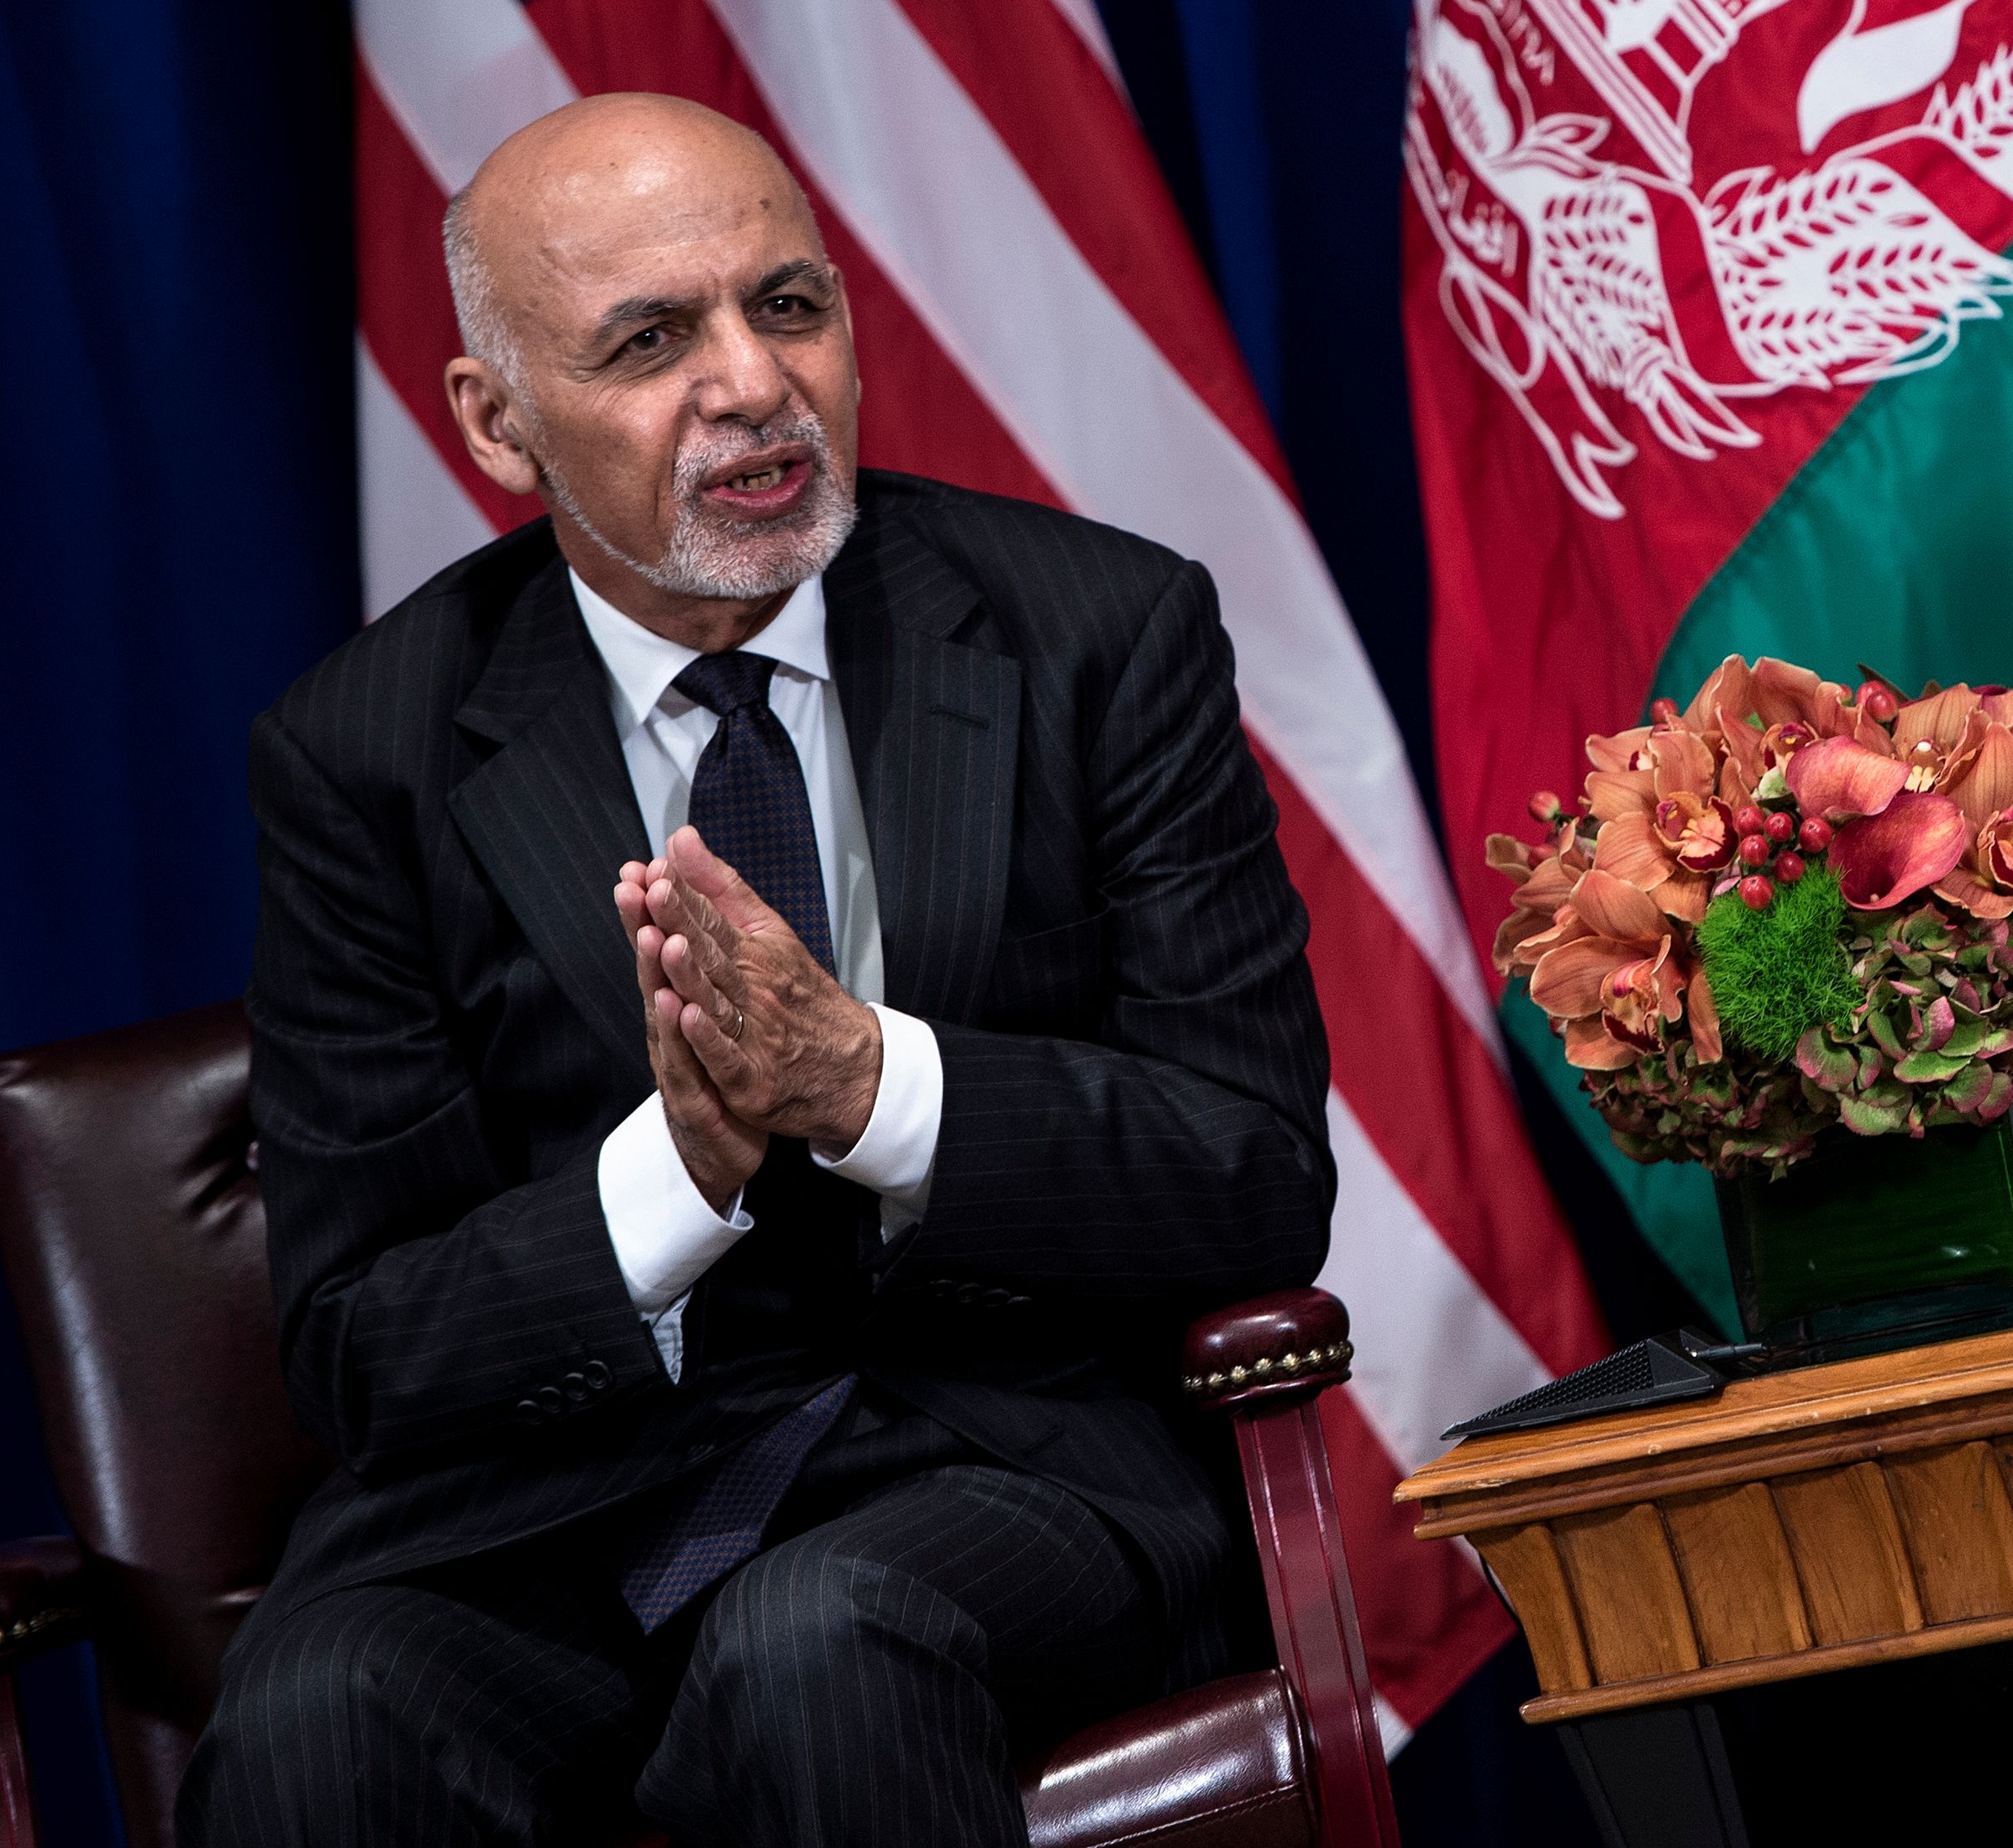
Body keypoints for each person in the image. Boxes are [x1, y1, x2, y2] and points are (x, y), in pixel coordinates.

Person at [181, 93, 1333, 1846]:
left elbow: (1252, 1173)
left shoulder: (1099, 631)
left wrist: (864, 1084)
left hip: (1001, 1461)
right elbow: (361, 1347)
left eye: (788, 306)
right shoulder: (364, 752)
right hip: (560, 1509)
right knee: (315, 1719)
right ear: (497, 422)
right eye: (651, 342)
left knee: (819, 1646)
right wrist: (683, 1167)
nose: (750, 383)